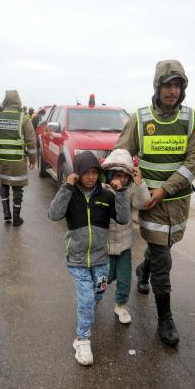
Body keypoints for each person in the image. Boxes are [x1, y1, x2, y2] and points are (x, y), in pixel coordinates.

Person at [115, 59, 195, 346]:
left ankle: (144, 270)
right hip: (149, 203)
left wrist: (166, 189)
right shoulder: (140, 119)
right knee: (163, 257)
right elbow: (121, 154)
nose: (173, 90)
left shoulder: (192, 119)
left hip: (177, 202)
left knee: (164, 246)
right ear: (157, 86)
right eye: (168, 84)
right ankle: (165, 318)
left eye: (178, 85)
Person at [48, 151, 130, 365]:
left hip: (101, 259)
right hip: (77, 259)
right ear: (78, 173)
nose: (91, 177)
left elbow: (123, 218)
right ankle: (82, 339)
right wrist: (67, 186)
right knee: (86, 299)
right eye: (86, 173)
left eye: (94, 172)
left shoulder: (106, 196)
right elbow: (54, 214)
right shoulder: (70, 194)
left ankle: (86, 310)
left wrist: (120, 193)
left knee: (99, 292)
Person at [102, 149, 150, 324]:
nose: (121, 179)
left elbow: (142, 204)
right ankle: (94, 296)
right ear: (110, 174)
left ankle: (121, 305)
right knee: (103, 276)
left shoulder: (131, 188)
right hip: (104, 244)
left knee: (124, 277)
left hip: (124, 243)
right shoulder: (102, 189)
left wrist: (140, 184)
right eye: (117, 174)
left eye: (125, 175)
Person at [0, 90, 37, 226]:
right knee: (17, 188)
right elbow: (32, 142)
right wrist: (33, 160)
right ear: (18, 102)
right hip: (18, 162)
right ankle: (16, 218)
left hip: (2, 160)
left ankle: (6, 213)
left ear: (5, 101)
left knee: (4, 183)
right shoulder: (24, 118)